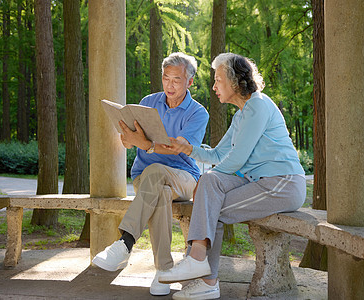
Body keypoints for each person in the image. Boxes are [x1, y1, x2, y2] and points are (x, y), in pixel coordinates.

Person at [158, 53, 306, 300]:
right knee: (209, 181)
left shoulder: (258, 105)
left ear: (235, 82)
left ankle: (202, 272)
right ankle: (202, 272)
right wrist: (188, 148)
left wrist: (205, 196)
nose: (214, 87)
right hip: (259, 182)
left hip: (283, 183)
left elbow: (237, 160)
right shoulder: (241, 115)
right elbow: (217, 154)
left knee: (210, 205)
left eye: (218, 80)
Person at [92, 52, 209, 297]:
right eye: (166, 78)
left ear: (189, 82)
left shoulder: (198, 113)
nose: (170, 84)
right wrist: (128, 139)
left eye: (177, 79)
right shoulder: (148, 101)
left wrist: (145, 144)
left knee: (157, 172)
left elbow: (179, 148)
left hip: (185, 178)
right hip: (146, 179)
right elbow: (130, 142)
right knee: (160, 191)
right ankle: (164, 272)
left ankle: (125, 243)